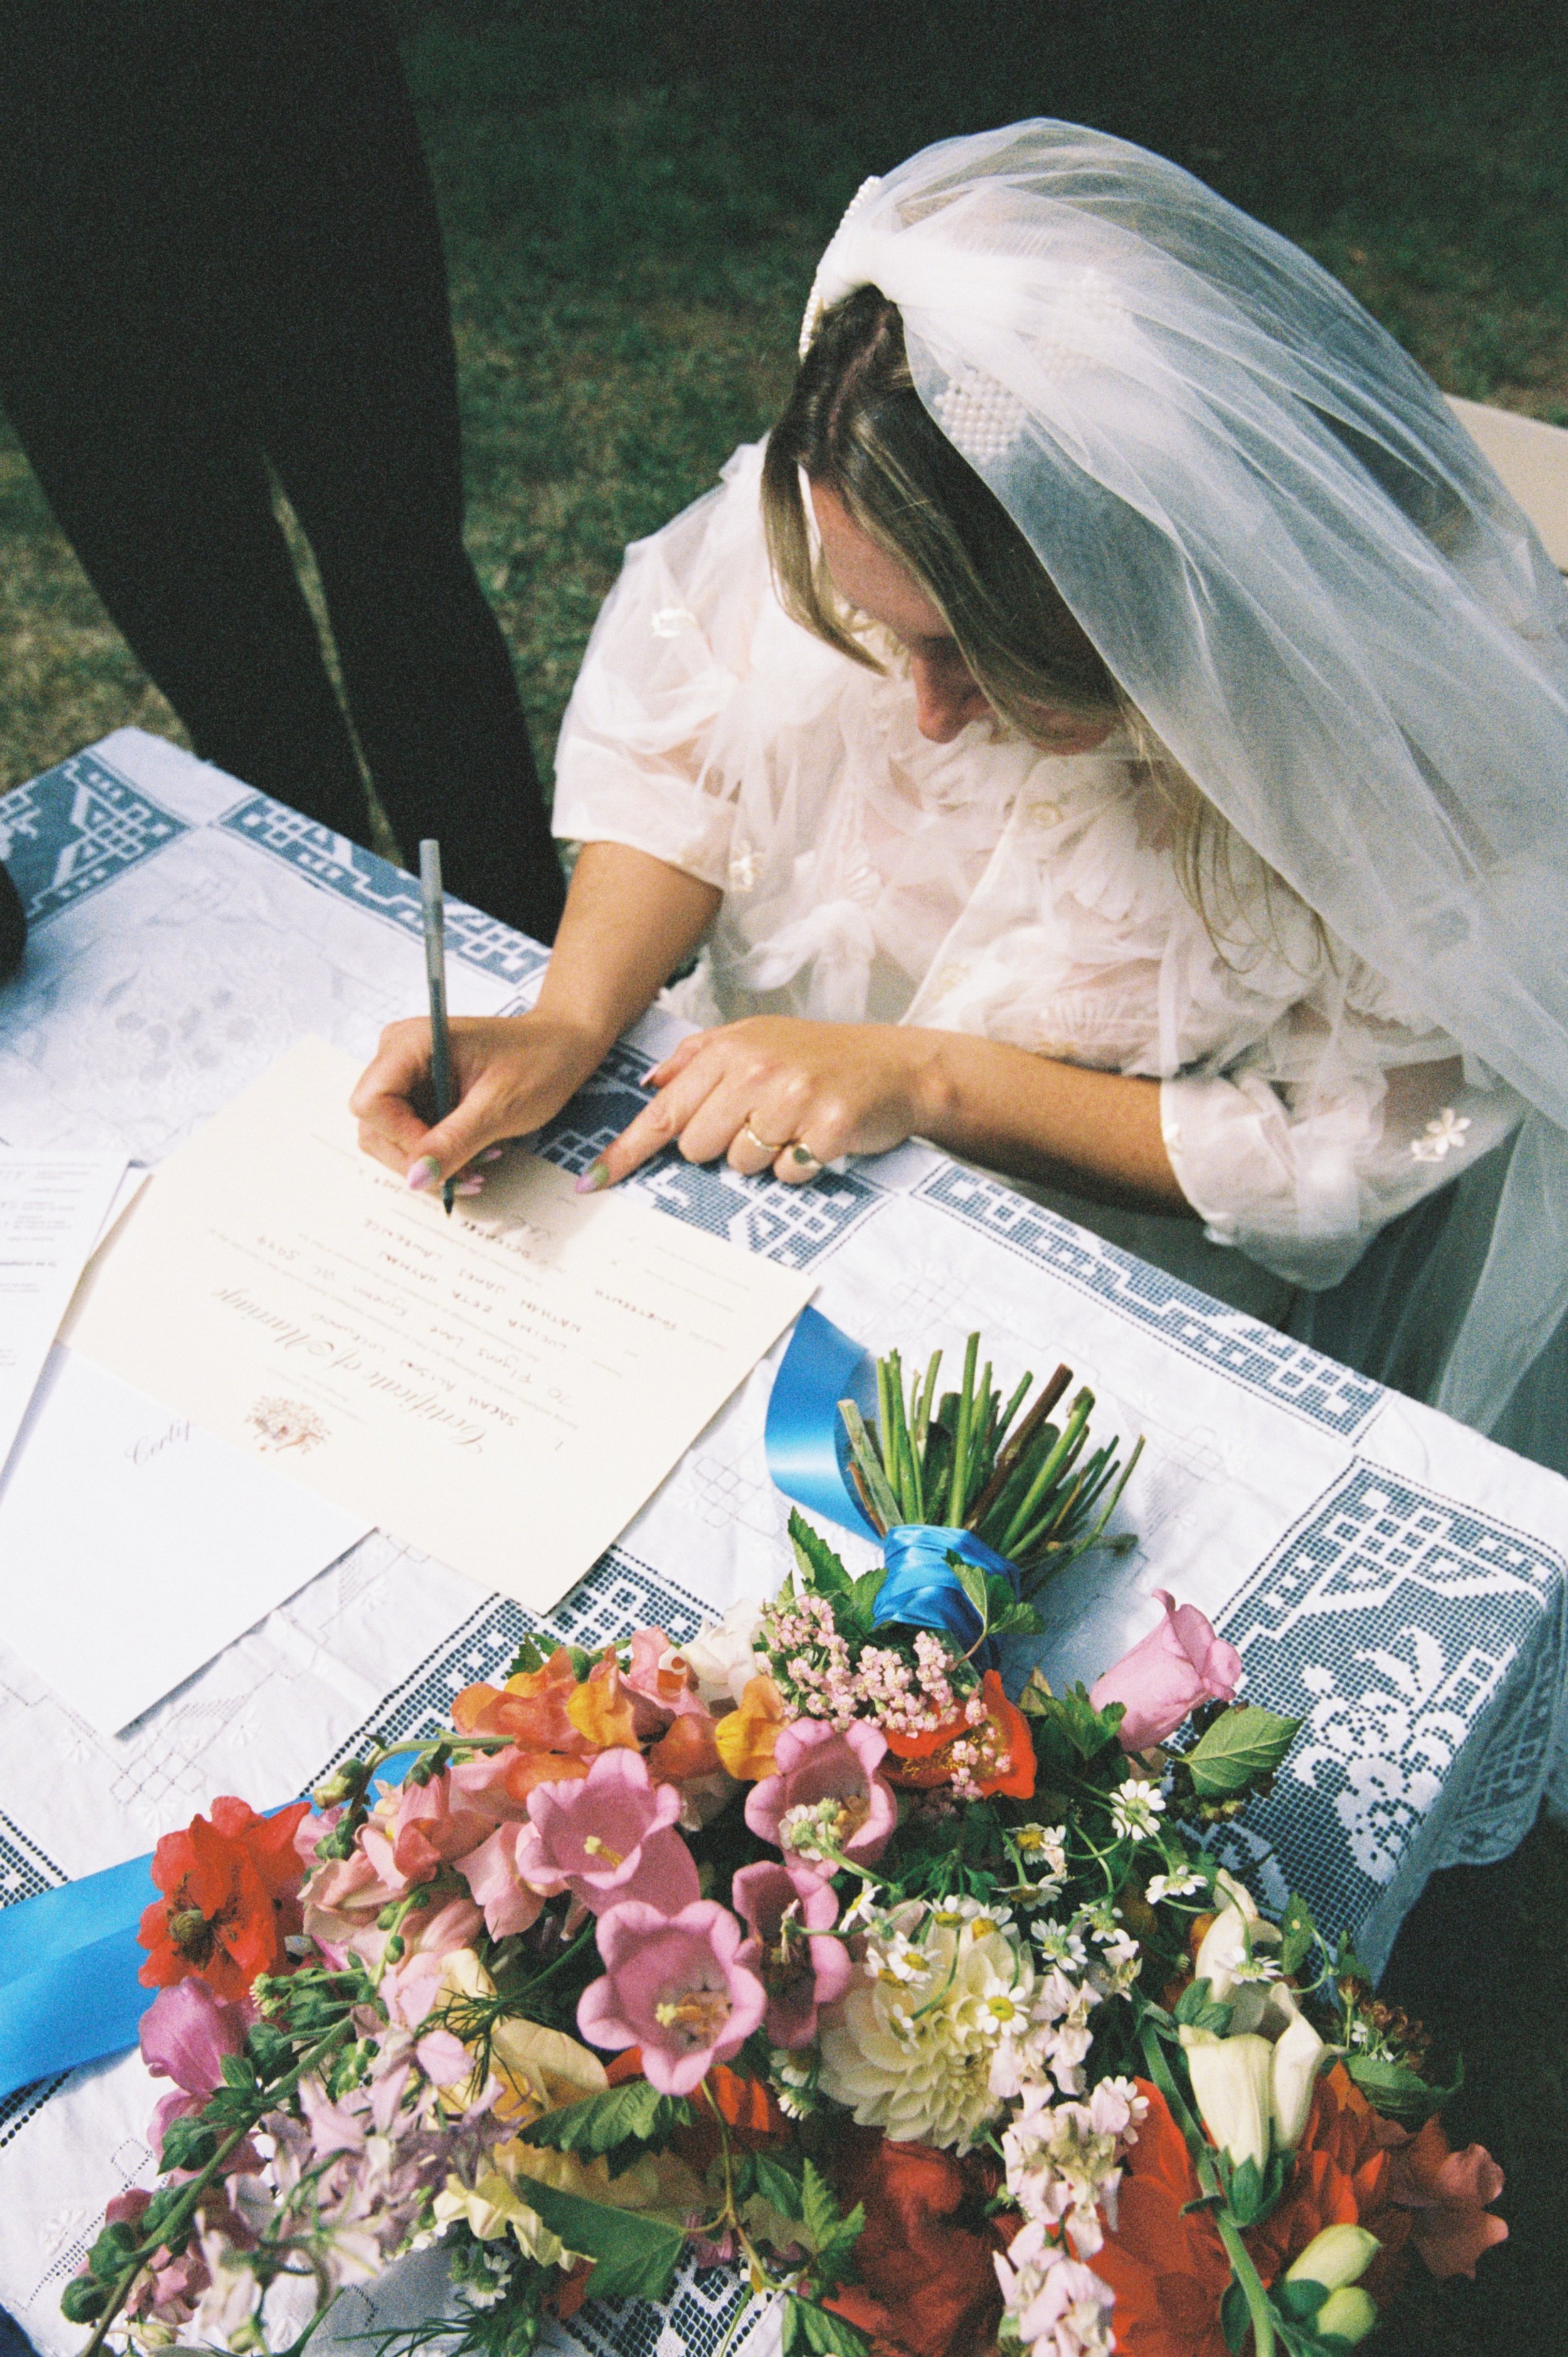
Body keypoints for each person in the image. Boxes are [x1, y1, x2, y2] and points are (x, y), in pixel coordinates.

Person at [352, 121, 1568, 1471]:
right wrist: (574, 1013)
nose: (924, 709)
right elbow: (676, 750)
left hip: (1083, 1293)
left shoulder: (1404, 773)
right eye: (890, 638)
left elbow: (1331, 1147)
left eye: (976, 656)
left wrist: (925, 1077)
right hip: (756, 1164)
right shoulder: (878, 490)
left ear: (1144, 599)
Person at [0, 2, 564, 944]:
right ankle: (324, 968)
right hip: (35, 181)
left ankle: (529, 970)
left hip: (286, 94)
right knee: (227, 656)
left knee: (407, 582)